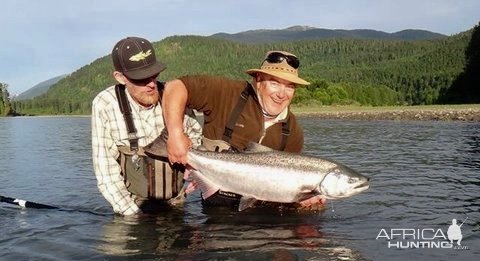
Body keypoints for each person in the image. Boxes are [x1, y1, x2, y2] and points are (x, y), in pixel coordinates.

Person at [162, 50, 325, 210]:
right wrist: (175, 135)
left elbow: (287, 185)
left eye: (289, 87)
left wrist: (301, 200)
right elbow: (176, 86)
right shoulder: (228, 93)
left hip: (260, 213)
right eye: (274, 83)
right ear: (259, 80)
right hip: (216, 208)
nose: (282, 94)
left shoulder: (293, 130)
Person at [91, 37, 202, 215]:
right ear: (120, 77)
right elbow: (106, 171)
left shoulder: (174, 97)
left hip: (177, 203)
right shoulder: (105, 104)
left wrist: (198, 175)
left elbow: (197, 142)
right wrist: (132, 214)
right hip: (134, 207)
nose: (151, 84)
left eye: (154, 75)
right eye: (141, 79)